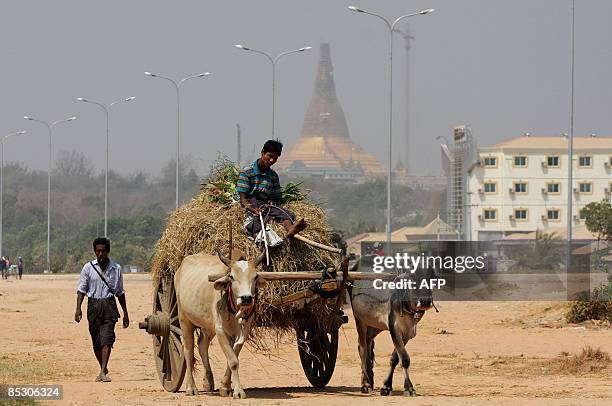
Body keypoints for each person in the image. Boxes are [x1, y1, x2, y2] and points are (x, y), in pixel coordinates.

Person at [75, 237, 129, 382]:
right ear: (94, 251)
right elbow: (81, 290)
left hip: (109, 306)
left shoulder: (116, 268)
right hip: (93, 306)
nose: (100, 254)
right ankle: (102, 367)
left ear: (108, 251)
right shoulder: (88, 268)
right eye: (98, 251)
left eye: (103, 251)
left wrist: (125, 314)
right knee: (96, 340)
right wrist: (78, 309)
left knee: (107, 339)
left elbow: (120, 292)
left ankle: (103, 371)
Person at [236, 139, 307, 238]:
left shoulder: (273, 176)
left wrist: (272, 203)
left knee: (283, 213)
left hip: (264, 204)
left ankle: (291, 229)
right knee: (258, 217)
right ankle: (257, 235)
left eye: (275, 158)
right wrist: (252, 208)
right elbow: (243, 198)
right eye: (269, 156)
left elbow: (276, 198)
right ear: (262, 153)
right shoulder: (247, 172)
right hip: (250, 202)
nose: (272, 160)